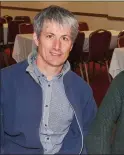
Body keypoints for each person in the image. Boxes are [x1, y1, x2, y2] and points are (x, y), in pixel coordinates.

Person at [0, 5, 97, 154]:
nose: (57, 46)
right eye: (50, 36)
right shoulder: (5, 81)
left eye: (64, 38)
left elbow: (88, 135)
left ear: (71, 45)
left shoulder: (82, 89)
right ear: (36, 38)